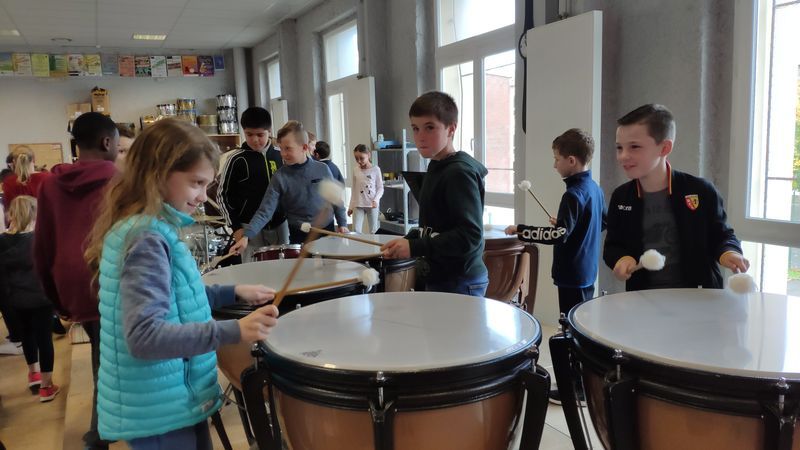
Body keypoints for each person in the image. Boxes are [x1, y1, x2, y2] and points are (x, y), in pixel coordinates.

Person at [83, 118, 279, 449]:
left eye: (207, 185)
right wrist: (235, 330)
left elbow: (175, 295)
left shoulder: (150, 227)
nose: (203, 196)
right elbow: (145, 337)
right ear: (158, 175)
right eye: (197, 183)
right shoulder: (146, 239)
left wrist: (232, 292)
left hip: (169, 400)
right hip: (159, 411)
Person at [33, 111, 118, 450]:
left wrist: (56, 300)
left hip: (71, 283)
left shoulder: (50, 184)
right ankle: (99, 435)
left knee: (102, 351)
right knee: (108, 361)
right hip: (111, 279)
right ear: (107, 142)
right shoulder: (120, 180)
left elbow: (42, 246)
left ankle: (104, 428)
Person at [604, 104, 749, 290]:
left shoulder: (701, 190)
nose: (623, 156)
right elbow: (613, 246)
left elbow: (721, 235)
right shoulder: (621, 197)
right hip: (644, 298)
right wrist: (621, 259)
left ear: (664, 148)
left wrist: (729, 252)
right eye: (619, 148)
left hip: (699, 297)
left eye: (634, 147)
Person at [381, 91, 489, 296]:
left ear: (451, 129)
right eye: (415, 128)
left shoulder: (458, 172)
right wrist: (408, 240)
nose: (420, 136)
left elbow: (470, 236)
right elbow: (435, 227)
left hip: (460, 280)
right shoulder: (436, 165)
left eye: (430, 127)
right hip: (443, 275)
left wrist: (415, 247)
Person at [506, 128, 605, 312]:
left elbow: (557, 236)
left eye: (557, 159)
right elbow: (601, 222)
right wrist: (567, 224)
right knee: (581, 319)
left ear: (571, 161)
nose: (554, 165)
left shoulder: (573, 195)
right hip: (587, 270)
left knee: (569, 322)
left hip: (572, 274)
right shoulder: (594, 188)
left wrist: (520, 230)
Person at [230, 120, 348, 249]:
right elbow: (265, 210)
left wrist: (342, 224)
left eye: (288, 148)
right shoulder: (279, 177)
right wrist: (247, 235)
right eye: (281, 148)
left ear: (304, 147)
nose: (282, 154)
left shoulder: (322, 169)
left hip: (326, 231)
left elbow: (336, 200)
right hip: (299, 234)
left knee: (329, 262)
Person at [0, 195, 59, 401]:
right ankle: (46, 386)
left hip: (16, 299)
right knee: (45, 340)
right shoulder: (38, 240)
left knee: (27, 336)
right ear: (33, 213)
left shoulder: (1, 241)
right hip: (41, 297)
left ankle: (33, 373)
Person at [218, 107, 288, 262]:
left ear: (269, 131)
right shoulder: (236, 159)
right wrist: (236, 227)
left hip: (280, 223)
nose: (255, 140)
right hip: (248, 226)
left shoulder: (280, 155)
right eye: (249, 135)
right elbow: (222, 196)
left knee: (283, 266)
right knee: (252, 269)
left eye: (260, 135)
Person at [348, 144, 383, 233]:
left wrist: (376, 200)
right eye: (356, 159)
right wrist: (351, 206)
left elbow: (380, 188)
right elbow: (354, 189)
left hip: (372, 204)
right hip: (359, 204)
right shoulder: (355, 170)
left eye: (362, 158)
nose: (359, 161)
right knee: (356, 230)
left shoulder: (376, 169)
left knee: (373, 231)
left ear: (368, 155)